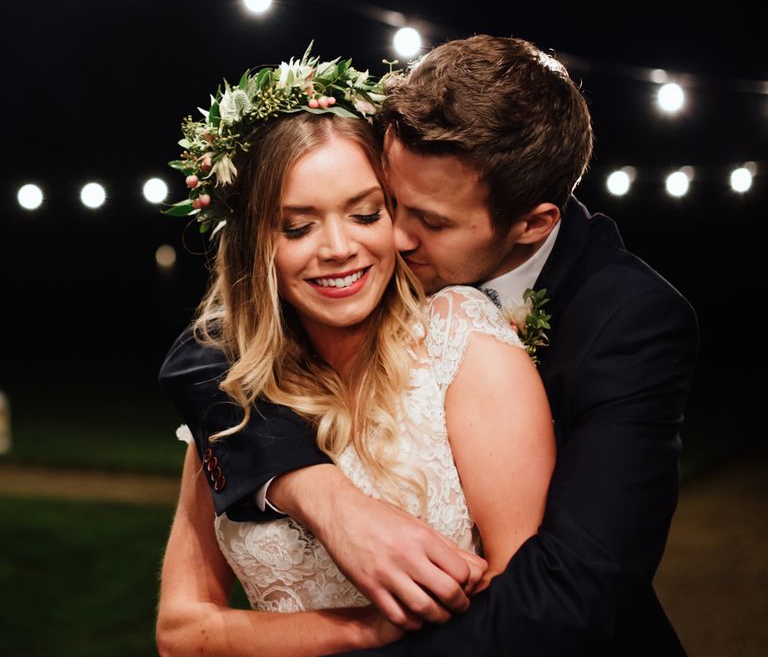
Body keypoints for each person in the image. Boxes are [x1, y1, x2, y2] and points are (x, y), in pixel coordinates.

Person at [159, 35, 700, 656]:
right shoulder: (248, 362)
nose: (396, 238)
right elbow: (213, 348)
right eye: (390, 203)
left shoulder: (625, 323)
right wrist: (320, 494)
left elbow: (562, 600)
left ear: (533, 224)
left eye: (377, 214)